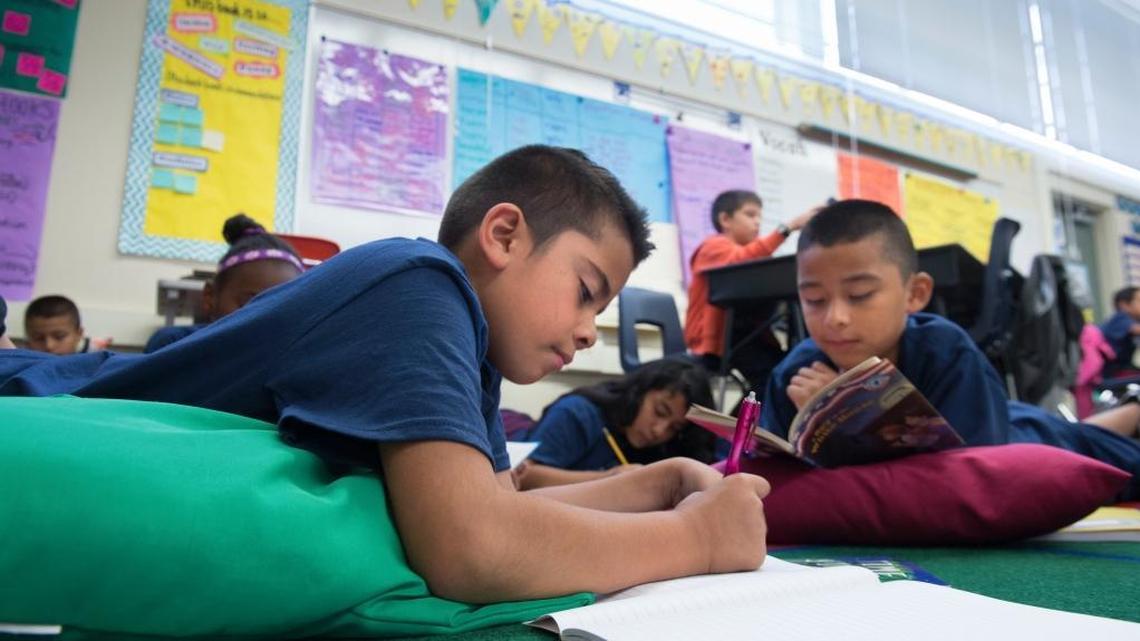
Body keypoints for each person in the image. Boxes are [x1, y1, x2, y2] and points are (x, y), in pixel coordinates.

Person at [0, 146, 769, 602]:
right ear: (503, 235)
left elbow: (504, 494)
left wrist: (663, 482)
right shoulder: (420, 284)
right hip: (40, 401)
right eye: (585, 290)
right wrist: (696, 539)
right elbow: (473, 545)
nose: (585, 328)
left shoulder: (472, 345)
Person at [760, 199, 1140, 499]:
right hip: (1003, 415)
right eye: (813, 299)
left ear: (915, 293)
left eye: (860, 296)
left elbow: (977, 477)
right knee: (1077, 429)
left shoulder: (945, 350)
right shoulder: (796, 371)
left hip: (1014, 435)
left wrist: (849, 419)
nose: (835, 318)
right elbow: (777, 473)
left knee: (1089, 445)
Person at [511, 358, 717, 489]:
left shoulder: (666, 445)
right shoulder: (577, 414)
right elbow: (526, 476)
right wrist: (610, 478)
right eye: (659, 411)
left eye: (674, 428)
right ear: (640, 391)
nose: (659, 431)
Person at [684, 190, 820, 386]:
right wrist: (787, 228)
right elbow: (742, 259)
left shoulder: (751, 250)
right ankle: (748, 416)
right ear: (725, 219)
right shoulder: (712, 247)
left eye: (759, 217)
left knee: (784, 371)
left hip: (745, 337)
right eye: (750, 215)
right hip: (717, 341)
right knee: (771, 378)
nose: (757, 222)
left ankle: (747, 416)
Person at [144, 214, 305, 353]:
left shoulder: (288, 363)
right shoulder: (172, 346)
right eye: (249, 305)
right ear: (210, 296)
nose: (267, 321)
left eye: (284, 310)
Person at [1100, 286, 1140, 377]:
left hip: (1124, 369)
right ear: (1124, 305)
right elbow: (1136, 329)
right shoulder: (1120, 318)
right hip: (1112, 372)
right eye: (1139, 301)